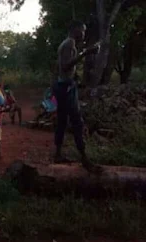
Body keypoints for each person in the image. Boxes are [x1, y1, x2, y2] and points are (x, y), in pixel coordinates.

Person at [53, 20, 101, 173]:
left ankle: (58, 154)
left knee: (62, 121)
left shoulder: (67, 44)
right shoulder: (69, 44)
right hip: (66, 88)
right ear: (74, 29)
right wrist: (86, 53)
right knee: (77, 121)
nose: (84, 34)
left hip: (64, 86)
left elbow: (64, 68)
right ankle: (85, 159)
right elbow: (66, 66)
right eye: (82, 30)